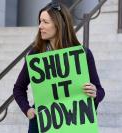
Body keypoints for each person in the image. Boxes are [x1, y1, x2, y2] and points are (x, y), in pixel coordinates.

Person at [13, 1, 105, 133]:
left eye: (45, 22)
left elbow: (101, 91)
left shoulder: (83, 55)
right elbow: (18, 89)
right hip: (41, 124)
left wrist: (95, 92)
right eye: (40, 21)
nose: (40, 26)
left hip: (74, 124)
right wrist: (27, 109)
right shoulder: (35, 55)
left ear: (59, 25)